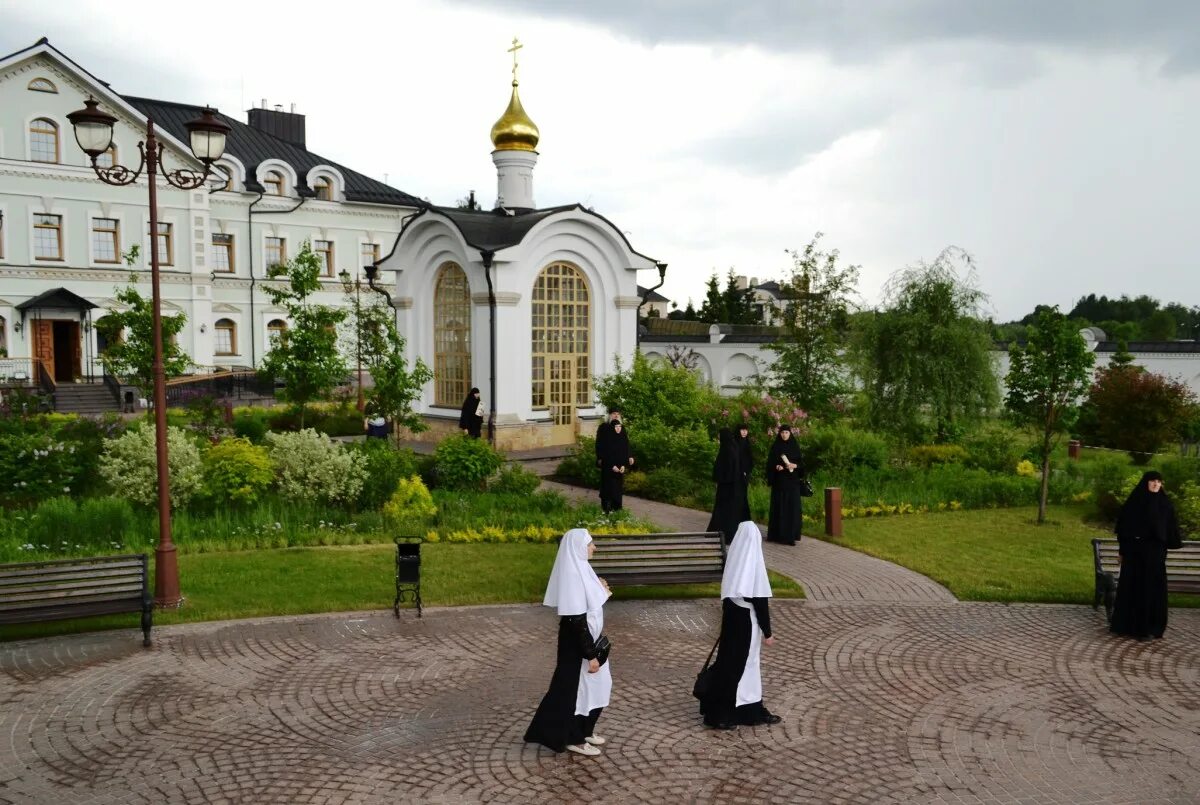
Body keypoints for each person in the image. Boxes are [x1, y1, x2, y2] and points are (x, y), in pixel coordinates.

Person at [524, 529, 613, 756]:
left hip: (588, 640)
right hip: (578, 645)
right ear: (578, 547)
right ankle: (574, 737)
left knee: (598, 686)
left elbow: (590, 603)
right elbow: (576, 619)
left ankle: (585, 729)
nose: (594, 547)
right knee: (576, 691)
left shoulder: (583, 568)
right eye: (591, 543)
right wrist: (590, 654)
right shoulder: (573, 576)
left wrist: (601, 590)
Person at [698, 521, 782, 729]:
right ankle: (727, 713)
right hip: (746, 621)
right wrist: (768, 633)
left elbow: (730, 593)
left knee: (730, 664)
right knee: (742, 666)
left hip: (732, 617)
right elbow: (759, 600)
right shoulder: (752, 563)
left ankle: (744, 709)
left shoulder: (735, 560)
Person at [1110, 470, 1182, 641]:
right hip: (1135, 553)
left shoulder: (1165, 504)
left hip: (1155, 555)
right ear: (1145, 483)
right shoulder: (1135, 503)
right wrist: (1122, 551)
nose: (1156, 484)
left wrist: (1165, 541)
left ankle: (1149, 627)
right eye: (1152, 481)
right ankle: (1126, 626)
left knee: (1151, 589)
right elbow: (1124, 529)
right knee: (1132, 587)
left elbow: (1170, 529)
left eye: (1159, 481)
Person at [765, 424, 805, 545]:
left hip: (792, 483)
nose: (784, 435)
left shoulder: (794, 446)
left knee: (791, 509)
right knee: (779, 508)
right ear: (779, 434)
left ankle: (790, 536)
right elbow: (769, 464)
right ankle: (777, 535)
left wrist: (795, 465)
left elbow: (802, 465)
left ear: (790, 434)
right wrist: (776, 466)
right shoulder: (776, 447)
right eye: (782, 433)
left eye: (786, 433)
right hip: (779, 483)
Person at [708, 428, 749, 544]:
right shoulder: (734, 448)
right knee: (731, 512)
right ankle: (730, 535)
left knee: (723, 511)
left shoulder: (726, 450)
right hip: (736, 487)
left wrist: (718, 479)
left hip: (726, 487)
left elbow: (723, 469)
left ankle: (721, 534)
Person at [598, 420, 630, 513]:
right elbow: (605, 455)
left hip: (619, 469)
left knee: (618, 490)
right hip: (609, 469)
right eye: (616, 427)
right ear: (612, 428)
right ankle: (607, 509)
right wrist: (612, 466)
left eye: (619, 427)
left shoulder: (622, 438)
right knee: (609, 489)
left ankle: (618, 509)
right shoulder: (608, 440)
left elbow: (625, 453)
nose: (618, 429)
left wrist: (624, 465)